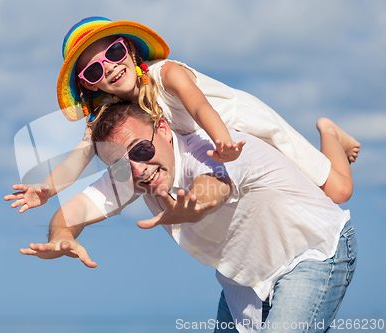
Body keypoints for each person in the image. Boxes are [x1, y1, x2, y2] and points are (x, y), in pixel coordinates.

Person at [20, 102, 357, 333]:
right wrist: (61, 235)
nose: (138, 168)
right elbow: (76, 206)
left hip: (313, 250)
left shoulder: (208, 147)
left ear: (164, 130)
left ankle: (329, 133)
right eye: (121, 165)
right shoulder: (133, 174)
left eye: (141, 150)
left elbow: (216, 183)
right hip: (246, 280)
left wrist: (193, 203)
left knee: (337, 187)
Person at [4, 17, 360, 213]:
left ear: (128, 48)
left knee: (338, 191)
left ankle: (328, 131)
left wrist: (222, 140)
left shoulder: (167, 73)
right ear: (90, 86)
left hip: (237, 126)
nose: (109, 68)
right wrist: (47, 189)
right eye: (94, 71)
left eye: (112, 53)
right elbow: (79, 159)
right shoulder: (115, 114)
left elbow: (199, 106)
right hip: (220, 151)